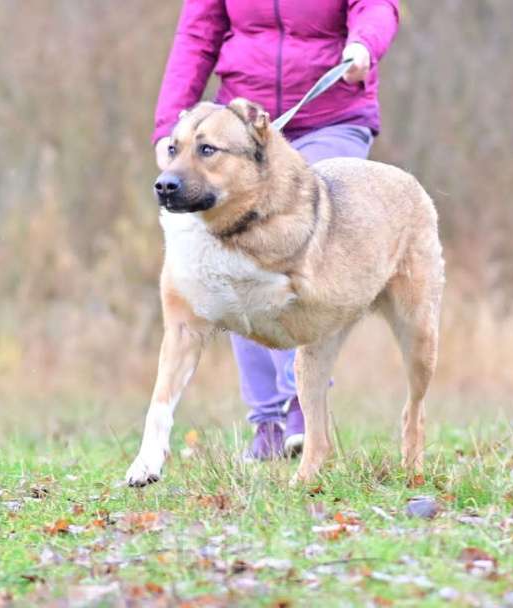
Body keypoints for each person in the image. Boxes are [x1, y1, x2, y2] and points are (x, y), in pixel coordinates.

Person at [152, 0, 400, 460]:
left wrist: (364, 45)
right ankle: (267, 421)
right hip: (240, 131)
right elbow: (196, 37)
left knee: (302, 239)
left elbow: (376, 6)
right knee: (238, 262)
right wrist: (170, 131)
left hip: (331, 115)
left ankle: (301, 402)